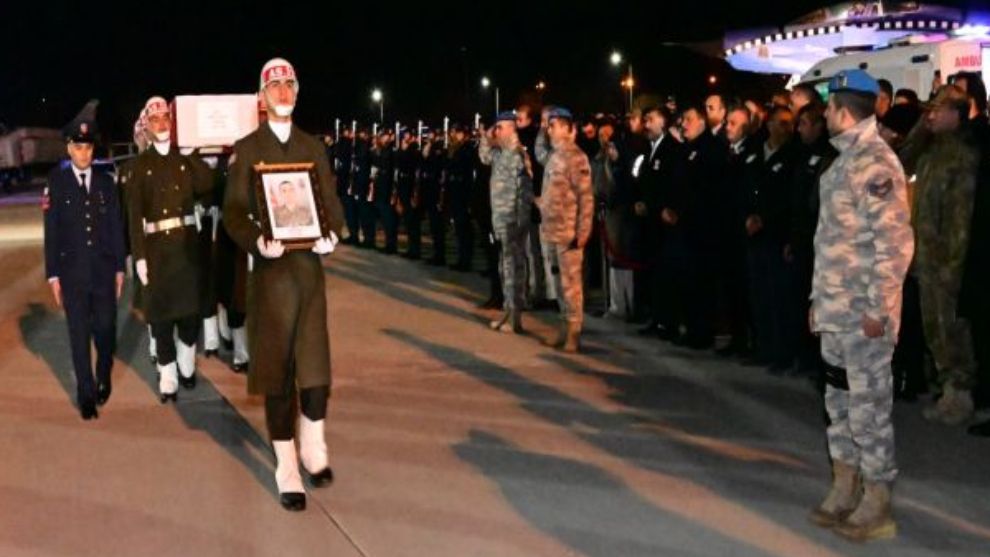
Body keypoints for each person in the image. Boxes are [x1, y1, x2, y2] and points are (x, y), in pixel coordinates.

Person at [223, 58, 344, 511]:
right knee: (278, 376)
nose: (281, 90)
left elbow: (330, 202)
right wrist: (257, 240)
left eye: (288, 83)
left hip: (308, 273)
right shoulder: (247, 149)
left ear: (297, 91)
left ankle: (314, 446)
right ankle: (286, 465)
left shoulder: (313, 146)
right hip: (272, 275)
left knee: (315, 375)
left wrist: (331, 232)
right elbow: (234, 211)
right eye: (273, 85)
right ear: (261, 96)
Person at [809, 69, 913, 542]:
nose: (823, 114)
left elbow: (894, 246)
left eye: (828, 107)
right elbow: (827, 242)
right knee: (838, 403)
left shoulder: (877, 163)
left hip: (864, 315)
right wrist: (817, 301)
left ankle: (877, 499)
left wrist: (879, 308)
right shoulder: (841, 163)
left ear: (844, 111)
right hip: (835, 310)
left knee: (869, 408)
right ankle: (844, 483)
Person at [127, 96, 214, 403]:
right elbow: (134, 216)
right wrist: (138, 257)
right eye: (155, 120)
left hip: (186, 250)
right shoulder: (139, 166)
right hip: (156, 252)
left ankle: (187, 365)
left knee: (190, 316)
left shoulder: (184, 160)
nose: (161, 123)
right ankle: (168, 375)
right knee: (161, 319)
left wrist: (192, 156)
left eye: (165, 118)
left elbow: (209, 185)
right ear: (147, 126)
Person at [43, 121, 126, 420]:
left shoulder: (105, 182)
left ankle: (104, 372)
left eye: (88, 147)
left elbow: (116, 226)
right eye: (78, 147)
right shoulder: (57, 182)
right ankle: (86, 395)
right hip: (72, 273)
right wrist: (53, 275)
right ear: (69, 149)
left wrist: (120, 267)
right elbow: (51, 231)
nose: (83, 153)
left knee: (105, 329)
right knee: (78, 335)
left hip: (103, 272)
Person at [913, 85, 981, 426]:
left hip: (946, 263)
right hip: (925, 257)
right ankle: (946, 389)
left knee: (952, 329)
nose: (931, 115)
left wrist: (953, 265)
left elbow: (960, 218)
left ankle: (961, 394)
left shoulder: (963, 157)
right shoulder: (930, 152)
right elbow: (903, 159)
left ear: (957, 113)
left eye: (938, 110)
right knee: (933, 328)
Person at [536, 107, 594, 352]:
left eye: (553, 125)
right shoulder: (554, 155)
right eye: (548, 125)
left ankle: (574, 331)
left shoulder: (576, 156)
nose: (549, 129)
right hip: (552, 230)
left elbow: (586, 197)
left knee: (572, 285)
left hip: (569, 231)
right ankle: (563, 325)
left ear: (566, 128)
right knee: (559, 285)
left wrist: (583, 231)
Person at [478, 112, 534, 333]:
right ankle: (510, 312)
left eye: (500, 128)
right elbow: (484, 157)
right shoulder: (501, 152)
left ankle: (514, 315)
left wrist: (520, 219)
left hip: (512, 219)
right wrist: (486, 136)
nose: (497, 132)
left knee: (513, 267)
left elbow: (525, 190)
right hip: (501, 218)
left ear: (511, 128)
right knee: (506, 266)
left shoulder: (517, 154)